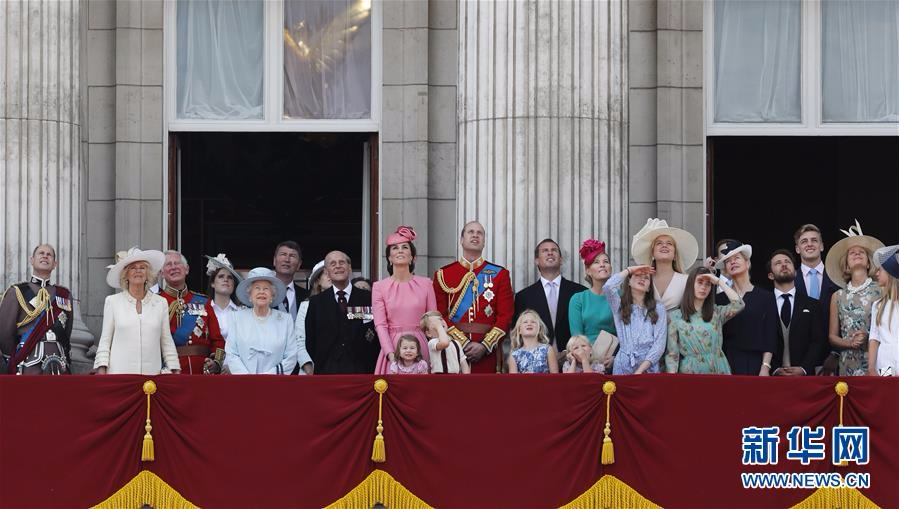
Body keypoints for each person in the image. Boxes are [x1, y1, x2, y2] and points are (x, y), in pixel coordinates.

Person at [433, 221, 513, 373]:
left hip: (488, 353)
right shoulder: (443, 275)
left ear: (484, 242)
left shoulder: (500, 274)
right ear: (461, 240)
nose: (475, 235)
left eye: (480, 233)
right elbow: (439, 315)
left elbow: (506, 316)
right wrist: (461, 343)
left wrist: (484, 345)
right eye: (470, 232)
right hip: (452, 349)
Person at [93, 248, 180, 375]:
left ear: (148, 274)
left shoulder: (160, 303)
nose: (138, 270)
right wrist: (101, 369)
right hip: (119, 376)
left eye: (142, 267)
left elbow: (166, 341)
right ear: (126, 274)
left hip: (151, 379)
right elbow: (105, 341)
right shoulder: (113, 302)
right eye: (133, 267)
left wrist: (174, 368)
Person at [0, 244, 75, 375]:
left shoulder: (64, 294)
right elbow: (5, 333)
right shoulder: (17, 292)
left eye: (49, 254)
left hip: (59, 362)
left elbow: (67, 330)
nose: (45, 255)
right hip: (27, 362)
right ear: (32, 260)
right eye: (41, 253)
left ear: (55, 263)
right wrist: (13, 359)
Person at [372, 226, 437, 374]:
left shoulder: (426, 284)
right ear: (389, 257)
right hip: (393, 347)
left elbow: (433, 322)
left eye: (405, 247)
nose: (400, 250)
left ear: (413, 257)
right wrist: (391, 355)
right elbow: (380, 325)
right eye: (394, 248)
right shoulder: (379, 287)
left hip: (420, 346)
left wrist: (437, 350)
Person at [305, 251, 379, 374]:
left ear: (349, 268)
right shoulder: (316, 302)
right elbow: (311, 341)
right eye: (332, 264)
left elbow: (376, 332)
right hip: (327, 371)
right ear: (327, 272)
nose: (338, 266)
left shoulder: (369, 298)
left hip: (363, 370)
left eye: (342, 262)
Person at [825, 222, 884, 376]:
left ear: (869, 262)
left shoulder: (882, 290)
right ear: (846, 265)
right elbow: (832, 337)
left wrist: (868, 335)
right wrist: (849, 343)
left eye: (861, 252)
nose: (857, 253)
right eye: (852, 252)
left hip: (878, 361)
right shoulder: (837, 296)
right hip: (847, 364)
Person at [665, 267, 744, 374]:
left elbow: (739, 304)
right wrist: (671, 381)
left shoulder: (716, 312)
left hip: (718, 368)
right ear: (690, 284)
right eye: (700, 282)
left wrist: (719, 281)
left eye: (708, 284)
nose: (703, 287)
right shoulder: (675, 316)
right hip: (691, 371)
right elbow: (672, 354)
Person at [157, 250, 225, 375]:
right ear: (161, 273)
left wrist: (216, 363)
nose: (173, 267)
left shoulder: (204, 302)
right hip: (169, 370)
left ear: (186, 269)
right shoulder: (155, 302)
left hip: (201, 371)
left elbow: (218, 340)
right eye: (168, 264)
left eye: (177, 263)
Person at [715, 241, 777, 376]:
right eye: (728, 261)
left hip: (756, 363)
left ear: (747, 263)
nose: (733, 262)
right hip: (726, 363)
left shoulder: (766, 297)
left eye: (737, 258)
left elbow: (770, 335)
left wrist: (765, 367)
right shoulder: (719, 299)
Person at [513, 238, 586, 352]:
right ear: (536, 260)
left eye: (554, 250)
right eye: (545, 250)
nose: (550, 252)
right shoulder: (523, 297)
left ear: (561, 259)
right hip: (537, 362)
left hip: (573, 360)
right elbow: (518, 334)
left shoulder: (580, 292)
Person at [224, 268, 297, 375]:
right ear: (250, 295)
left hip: (274, 383)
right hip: (244, 383)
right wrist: (247, 378)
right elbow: (232, 353)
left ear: (272, 295)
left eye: (266, 289)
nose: (261, 292)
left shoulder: (286, 320)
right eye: (257, 288)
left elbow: (291, 356)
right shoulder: (237, 317)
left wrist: (268, 377)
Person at [766, 250, 826, 376]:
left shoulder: (813, 305)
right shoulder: (762, 305)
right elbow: (760, 339)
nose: (784, 265)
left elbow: (818, 340)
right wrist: (775, 369)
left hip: (805, 377)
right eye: (778, 263)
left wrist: (804, 368)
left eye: (787, 262)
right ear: (770, 275)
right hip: (772, 377)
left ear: (796, 272)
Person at [603, 265, 667, 374]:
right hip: (622, 367)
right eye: (637, 275)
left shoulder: (658, 308)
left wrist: (640, 370)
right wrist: (629, 270)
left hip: (648, 368)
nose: (642, 279)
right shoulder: (619, 305)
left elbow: (659, 345)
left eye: (646, 278)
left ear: (649, 288)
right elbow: (608, 287)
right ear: (628, 281)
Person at [631, 218, 699, 311]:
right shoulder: (644, 280)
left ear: (675, 255)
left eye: (669, 243)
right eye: (659, 243)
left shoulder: (687, 280)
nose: (664, 245)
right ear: (652, 254)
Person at [568, 240, 617, 360]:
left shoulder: (621, 297)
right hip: (585, 358)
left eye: (606, 262)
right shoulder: (578, 299)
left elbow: (627, 334)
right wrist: (587, 358)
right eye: (596, 262)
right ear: (588, 270)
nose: (602, 265)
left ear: (610, 268)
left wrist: (615, 357)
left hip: (614, 358)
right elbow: (577, 336)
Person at [793, 224, 840, 341]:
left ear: (822, 246)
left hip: (833, 349)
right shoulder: (790, 280)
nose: (809, 244)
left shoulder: (838, 278)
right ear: (797, 249)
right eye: (804, 241)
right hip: (800, 352)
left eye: (814, 240)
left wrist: (836, 352)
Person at [293, 260, 329, 375]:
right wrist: (308, 366)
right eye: (326, 273)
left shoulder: (346, 304)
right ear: (318, 280)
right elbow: (299, 340)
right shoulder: (306, 305)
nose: (331, 276)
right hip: (310, 372)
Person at [869, 245, 899, 376]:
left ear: (890, 272)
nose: (876, 273)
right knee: (888, 392)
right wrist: (871, 368)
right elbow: (874, 338)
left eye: (880, 270)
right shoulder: (878, 305)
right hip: (884, 365)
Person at [205, 253, 243, 341]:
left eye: (230, 277)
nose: (226, 280)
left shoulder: (242, 312)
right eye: (221, 276)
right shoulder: (203, 310)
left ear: (234, 284)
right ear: (212, 283)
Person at [273, 241, 309, 321]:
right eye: (283, 254)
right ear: (274, 261)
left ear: (299, 265)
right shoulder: (262, 293)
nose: (287, 260)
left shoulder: (307, 296)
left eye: (292, 256)